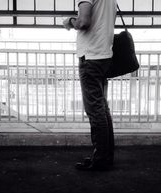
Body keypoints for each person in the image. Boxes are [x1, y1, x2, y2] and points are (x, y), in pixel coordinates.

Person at [63, 0, 117, 171]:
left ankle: (101, 160)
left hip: (91, 58)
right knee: (102, 108)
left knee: (95, 110)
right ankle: (105, 156)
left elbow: (83, 22)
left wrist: (70, 22)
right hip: (105, 56)